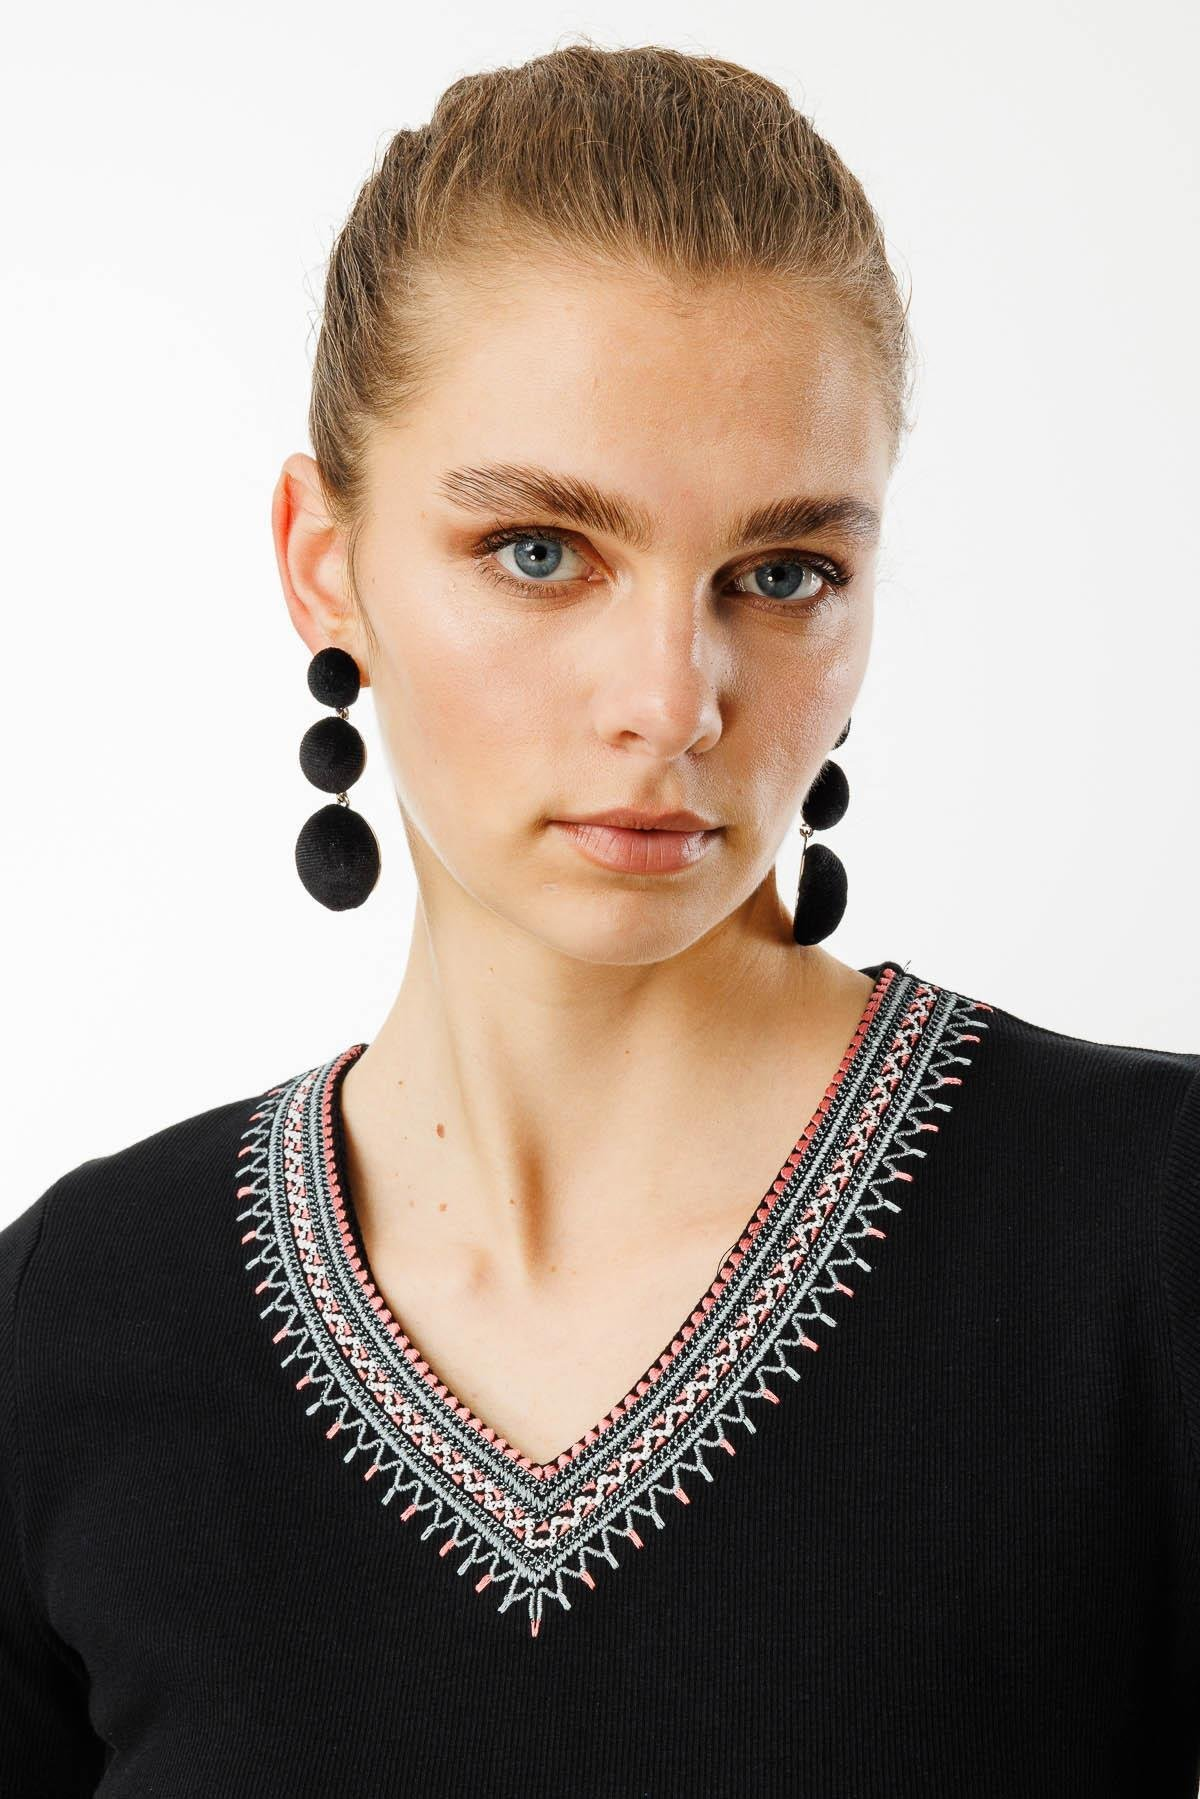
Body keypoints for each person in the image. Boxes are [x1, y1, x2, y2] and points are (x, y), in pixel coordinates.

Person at [2, 40, 1197, 1799]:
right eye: (543, 551)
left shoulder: (1151, 1236)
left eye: (781, 574)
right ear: (323, 562)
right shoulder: (78, 1322)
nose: (673, 698)